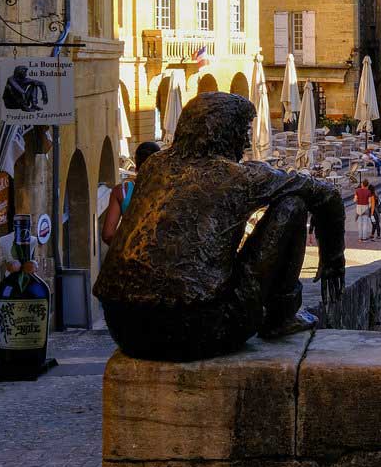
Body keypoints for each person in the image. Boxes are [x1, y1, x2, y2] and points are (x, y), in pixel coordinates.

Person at [94, 92, 345, 360]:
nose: (247, 141)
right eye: (243, 131)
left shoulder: (153, 166)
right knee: (292, 204)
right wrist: (333, 260)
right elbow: (327, 195)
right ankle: (281, 317)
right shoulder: (238, 177)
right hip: (199, 329)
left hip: (123, 326)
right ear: (225, 133)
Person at [101, 141, 161, 247]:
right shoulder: (168, 190)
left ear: (136, 162)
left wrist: (129, 249)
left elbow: (107, 235)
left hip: (130, 256)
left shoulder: (121, 191)